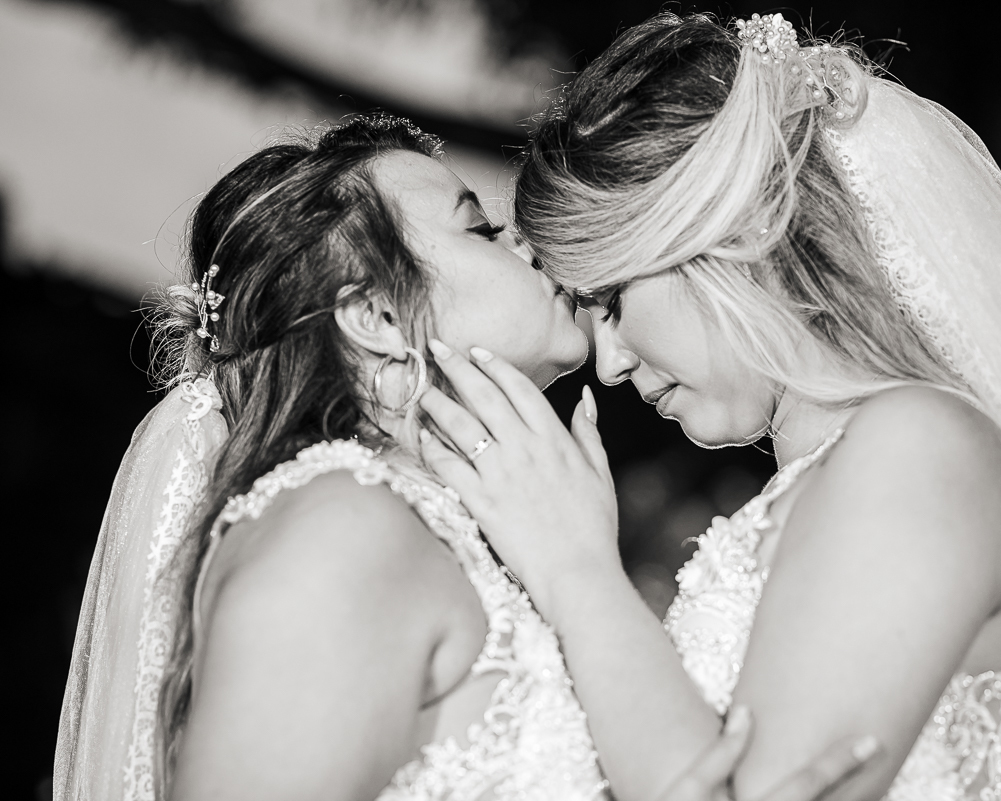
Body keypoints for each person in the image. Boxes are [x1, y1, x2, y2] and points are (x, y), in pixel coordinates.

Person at [416, 12, 1001, 801]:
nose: (611, 364)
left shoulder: (918, 450)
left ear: (742, 231)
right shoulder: (852, 471)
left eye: (613, 301)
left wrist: (575, 568)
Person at [53, 113, 880, 801]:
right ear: (377, 316)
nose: (527, 243)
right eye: (479, 228)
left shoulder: (444, 538)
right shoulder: (338, 530)